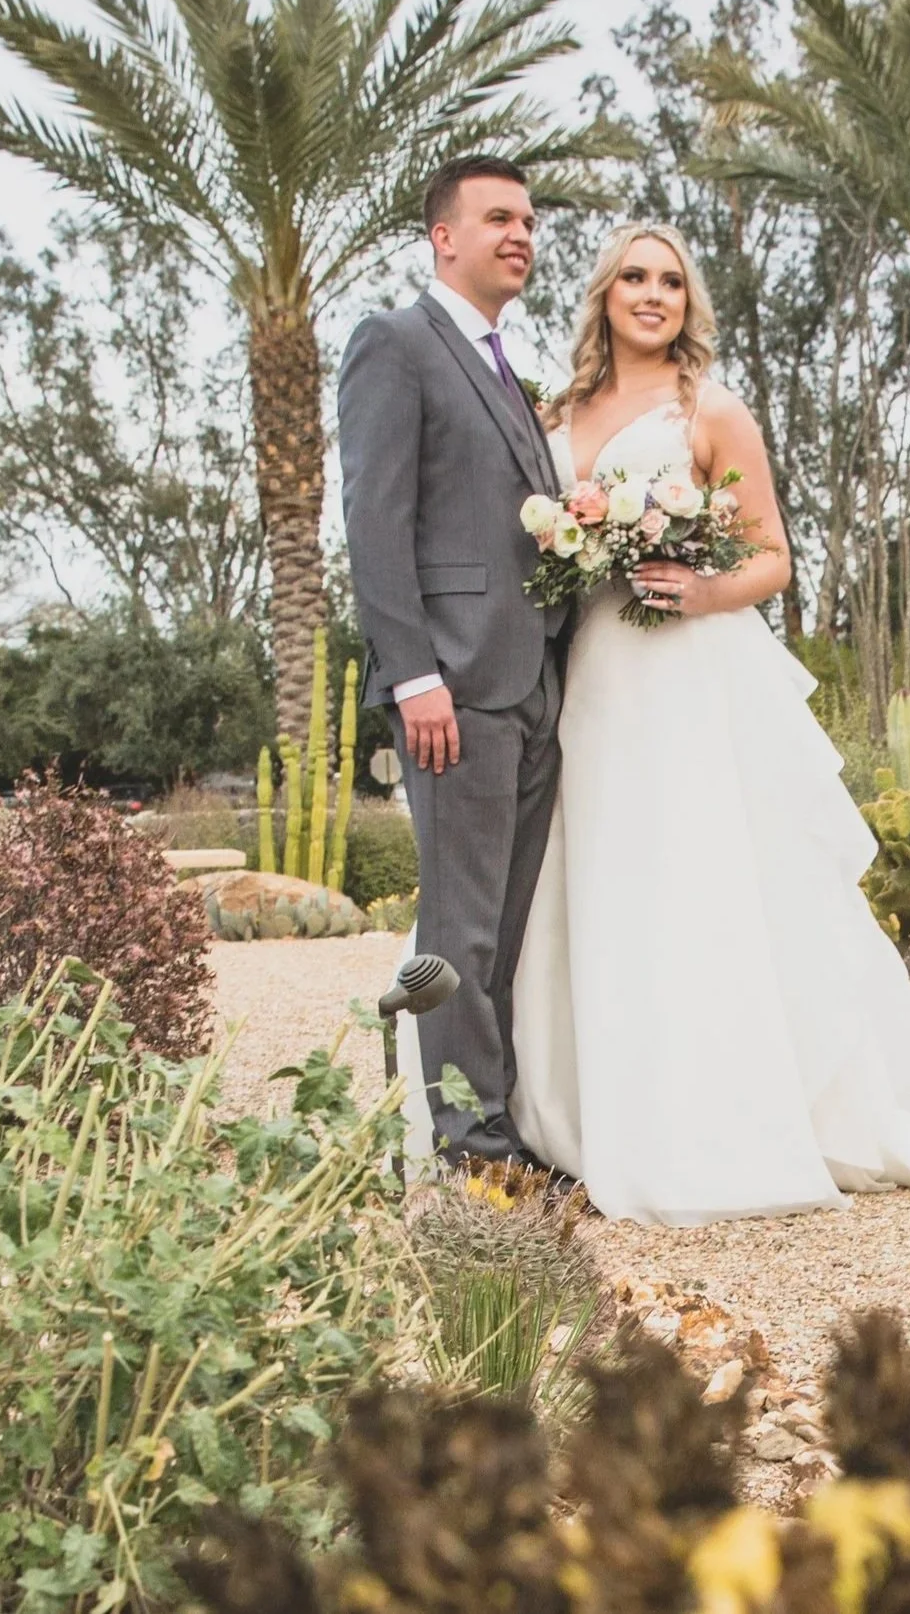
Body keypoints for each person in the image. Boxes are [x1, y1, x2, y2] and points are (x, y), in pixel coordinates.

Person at [509, 221, 910, 1226]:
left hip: (675, 672)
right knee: (593, 871)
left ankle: (716, 1111)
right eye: (632, 276)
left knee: (695, 878)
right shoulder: (556, 410)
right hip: (581, 669)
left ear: (687, 302)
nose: (651, 293)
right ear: (601, 294)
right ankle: (584, 1107)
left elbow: (771, 558)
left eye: (670, 281)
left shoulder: (708, 410)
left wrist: (699, 590)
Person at [340, 155, 565, 1165]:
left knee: (503, 940)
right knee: (455, 936)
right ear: (443, 237)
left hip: (529, 689)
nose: (519, 234)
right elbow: (373, 519)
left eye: (526, 220)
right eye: (497, 218)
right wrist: (414, 673)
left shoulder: (506, 365)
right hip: (454, 691)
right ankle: (470, 1143)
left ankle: (502, 1120)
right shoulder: (396, 344)